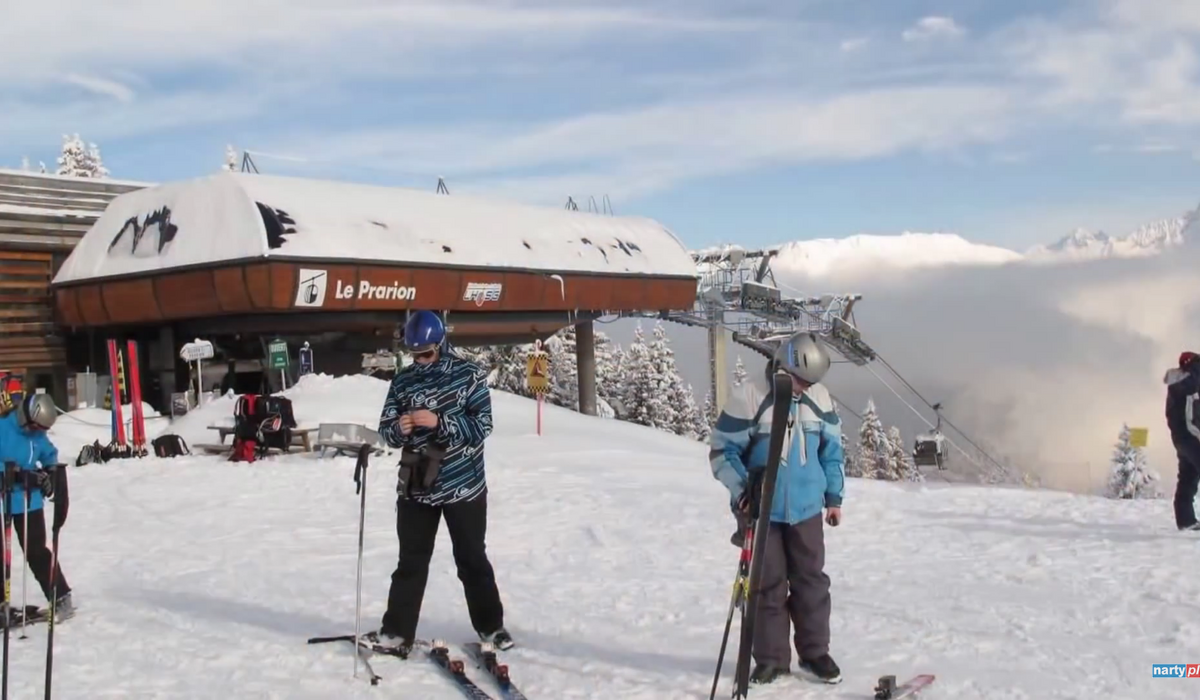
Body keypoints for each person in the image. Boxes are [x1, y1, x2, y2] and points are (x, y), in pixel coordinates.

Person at [365, 310, 511, 655]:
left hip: (464, 484)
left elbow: (482, 427)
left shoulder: (469, 376)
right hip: (418, 484)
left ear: (441, 345)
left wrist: (440, 421)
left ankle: (492, 628)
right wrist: (397, 429)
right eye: (415, 354)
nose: (421, 360)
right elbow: (386, 430)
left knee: (472, 559)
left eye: (427, 353)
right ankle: (397, 633)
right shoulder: (403, 382)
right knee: (410, 562)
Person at [709, 331, 845, 685]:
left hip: (806, 509)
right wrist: (743, 492)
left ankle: (815, 653)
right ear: (785, 366)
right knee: (767, 584)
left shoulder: (819, 397)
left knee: (811, 582)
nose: (804, 387)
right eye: (800, 380)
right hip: (762, 508)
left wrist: (833, 498)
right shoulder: (750, 396)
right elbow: (722, 451)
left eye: (810, 382)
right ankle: (771, 659)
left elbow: (831, 452)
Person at [0, 389, 73, 621]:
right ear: (26, 418)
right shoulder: (3, 428)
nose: (36, 434)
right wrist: (17, 475)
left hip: (28, 502)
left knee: (37, 551)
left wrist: (50, 473)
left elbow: (49, 453)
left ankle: (60, 597)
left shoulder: (37, 435)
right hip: (3, 499)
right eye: (35, 428)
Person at [1164, 351, 1200, 530]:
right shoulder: (1190, 381)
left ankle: (1186, 521)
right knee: (1188, 478)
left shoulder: (1176, 384)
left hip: (1180, 438)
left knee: (1188, 478)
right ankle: (1186, 521)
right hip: (1192, 437)